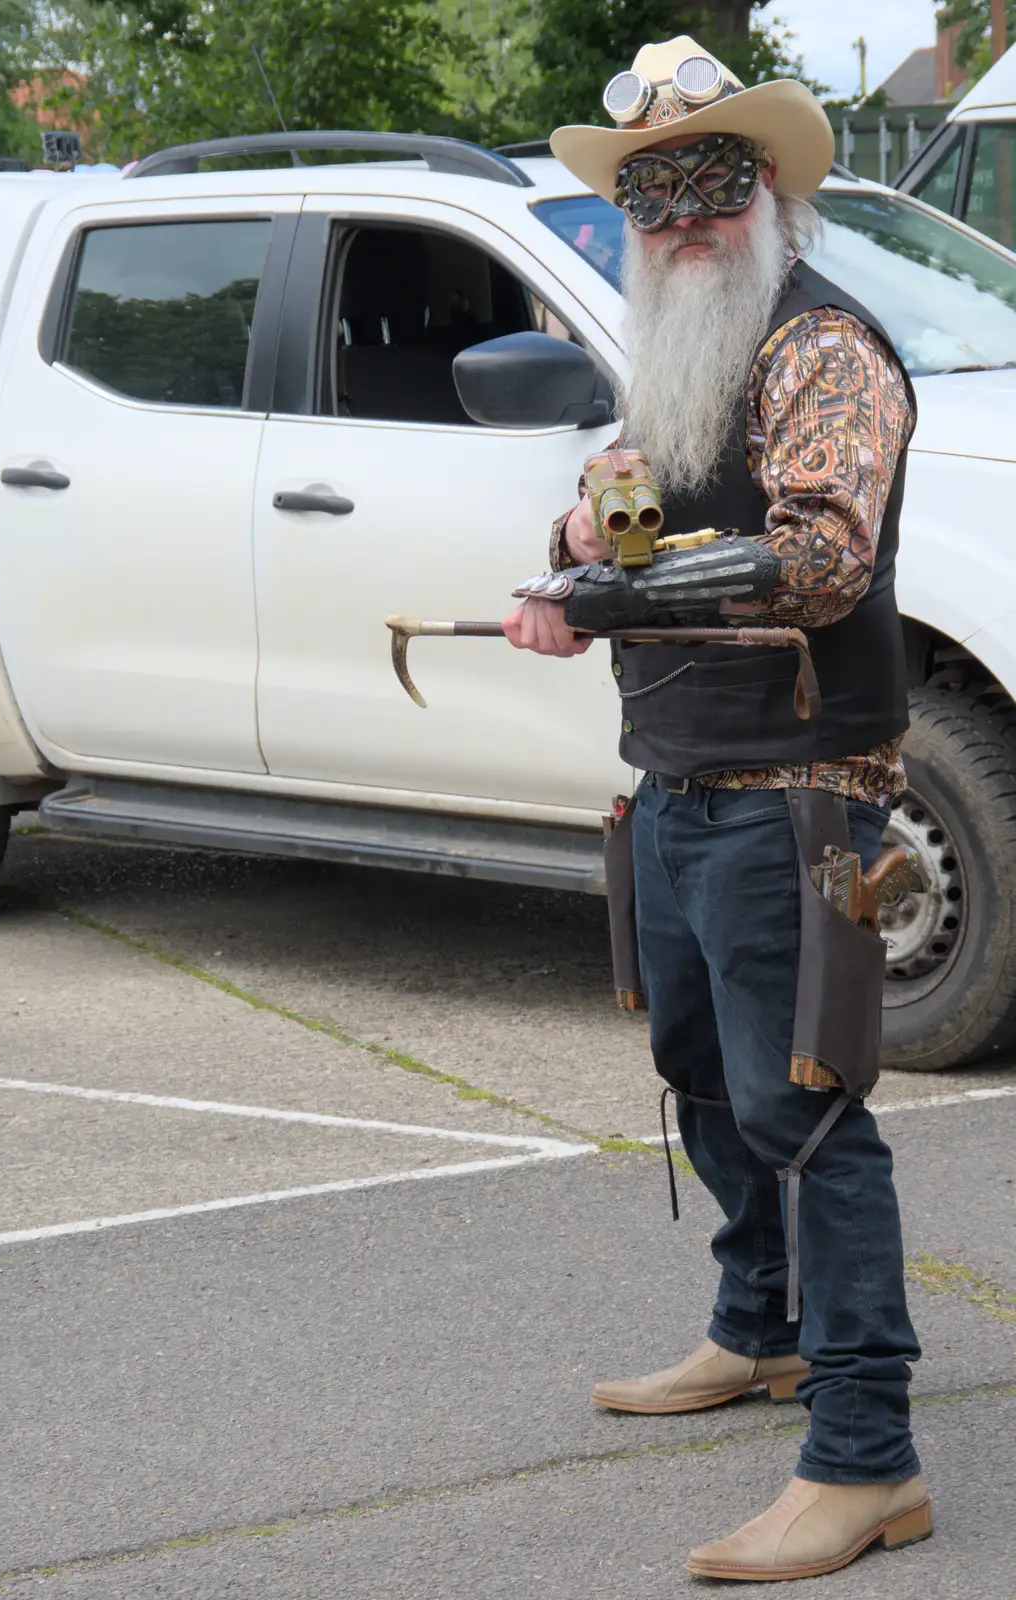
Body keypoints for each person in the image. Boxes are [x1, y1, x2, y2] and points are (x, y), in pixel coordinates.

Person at [503, 35, 932, 1584]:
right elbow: (625, 496)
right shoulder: (683, 351)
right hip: (682, 785)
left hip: (803, 796)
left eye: (710, 181)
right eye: (654, 192)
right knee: (703, 1077)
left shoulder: (824, 348)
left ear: (770, 192)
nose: (681, 217)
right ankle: (763, 1332)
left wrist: (604, 599)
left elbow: (817, 556)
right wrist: (571, 550)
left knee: (807, 1111)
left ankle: (868, 1460)